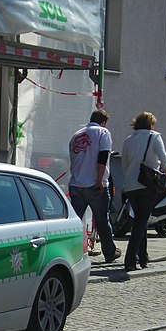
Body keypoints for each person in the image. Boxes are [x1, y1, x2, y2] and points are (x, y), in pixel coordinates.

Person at [120, 111, 166, 271]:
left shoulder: (128, 140)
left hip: (130, 186)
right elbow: (165, 161)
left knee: (139, 221)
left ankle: (143, 257)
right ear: (151, 124)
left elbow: (124, 164)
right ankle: (130, 260)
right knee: (140, 223)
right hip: (147, 186)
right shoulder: (154, 137)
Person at [68, 108, 120, 263]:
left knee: (75, 222)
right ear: (103, 122)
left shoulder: (77, 135)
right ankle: (110, 253)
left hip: (76, 183)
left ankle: (71, 252)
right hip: (94, 184)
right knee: (102, 220)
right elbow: (102, 158)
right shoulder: (103, 133)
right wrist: (99, 181)